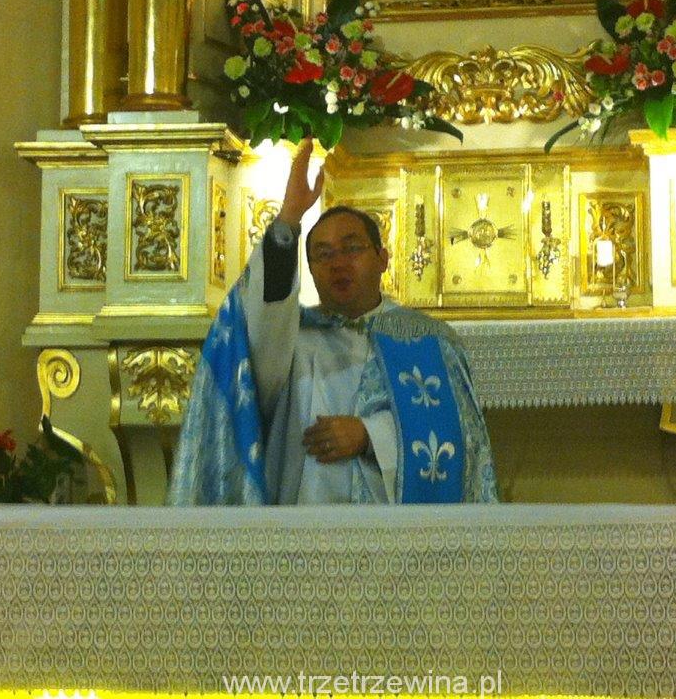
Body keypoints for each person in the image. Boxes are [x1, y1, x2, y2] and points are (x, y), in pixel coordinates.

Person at [168, 139, 497, 505]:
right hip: (301, 526)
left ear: (383, 258)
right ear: (309, 269)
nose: (338, 263)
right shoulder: (289, 341)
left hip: (395, 532)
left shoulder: (427, 340)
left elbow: (458, 438)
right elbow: (254, 321)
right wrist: (288, 219)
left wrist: (369, 436)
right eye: (322, 255)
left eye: (352, 248)